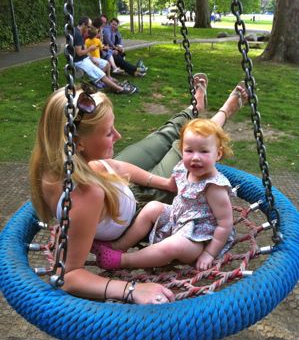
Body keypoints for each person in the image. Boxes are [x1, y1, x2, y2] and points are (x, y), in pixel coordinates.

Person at [29, 74, 247, 305]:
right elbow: (69, 275)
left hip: (116, 178)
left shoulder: (61, 162)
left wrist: (162, 182)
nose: (118, 136)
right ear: (78, 144)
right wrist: (131, 289)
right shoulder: (85, 195)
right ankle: (224, 111)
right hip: (138, 211)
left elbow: (114, 165)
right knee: (187, 144)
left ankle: (195, 106)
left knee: (165, 134)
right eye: (108, 132)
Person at [97, 118, 235, 271]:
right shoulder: (183, 167)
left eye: (204, 151)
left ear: (218, 154)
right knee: (152, 207)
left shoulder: (214, 187)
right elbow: (175, 184)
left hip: (198, 238)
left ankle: (124, 260)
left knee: (174, 245)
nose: (196, 157)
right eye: (189, 151)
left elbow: (225, 224)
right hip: (177, 219)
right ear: (182, 150)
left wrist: (209, 253)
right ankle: (119, 246)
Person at [74, 16, 137, 95]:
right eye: (88, 27)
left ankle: (106, 82)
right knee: (101, 74)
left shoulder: (80, 33)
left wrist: (92, 59)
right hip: (80, 61)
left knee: (105, 64)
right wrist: (90, 49)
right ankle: (120, 89)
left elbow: (85, 49)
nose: (89, 29)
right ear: (83, 24)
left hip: (85, 58)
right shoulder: (77, 35)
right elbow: (79, 53)